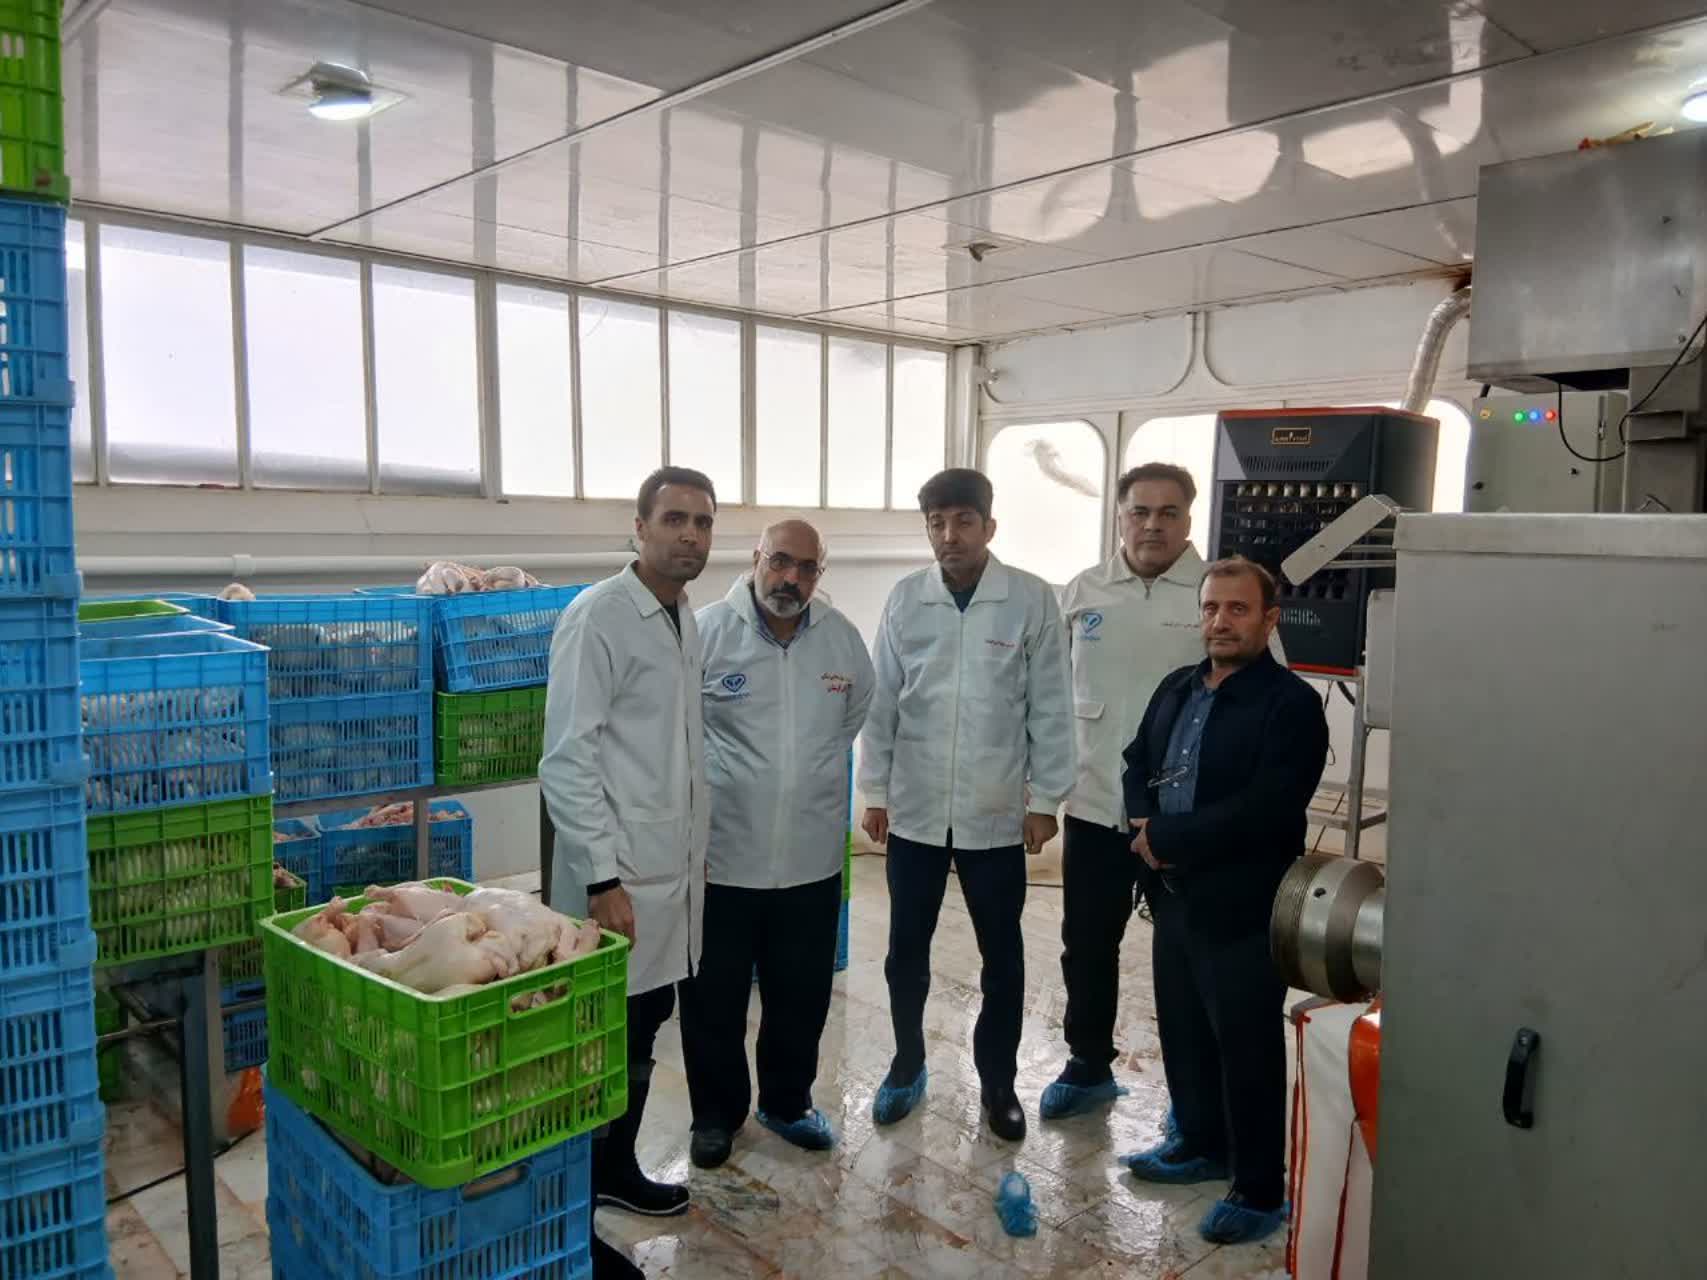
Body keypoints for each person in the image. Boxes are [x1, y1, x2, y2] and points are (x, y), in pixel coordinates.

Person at [1043, 462, 1283, 1119]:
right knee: (1086, 946)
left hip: (1186, 824)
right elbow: (1049, 695)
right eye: (1139, 511)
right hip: (1097, 805)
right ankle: (1088, 1064)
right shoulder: (1084, 591)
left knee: (1191, 960)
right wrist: (1041, 791)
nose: (1152, 525)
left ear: (1188, 519)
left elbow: (1265, 694)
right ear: (1119, 517)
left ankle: (1193, 1101)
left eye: (1168, 512)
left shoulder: (1217, 593)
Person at [858, 467, 1074, 1142]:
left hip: (995, 812)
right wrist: (874, 792)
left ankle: (998, 1082)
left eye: (962, 521)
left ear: (989, 526)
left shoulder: (1029, 599)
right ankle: (906, 1065)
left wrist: (1045, 799)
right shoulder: (906, 598)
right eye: (937, 523)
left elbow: (1051, 706)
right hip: (916, 810)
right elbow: (882, 703)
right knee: (905, 953)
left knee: (1002, 958)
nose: (949, 535)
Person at [1117, 556, 1329, 1246]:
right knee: (1183, 1031)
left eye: (1238, 609)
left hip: (1242, 906)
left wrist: (1168, 837)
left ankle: (1258, 1188)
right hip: (1173, 897)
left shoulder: (1290, 706)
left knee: (1245, 1047)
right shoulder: (1177, 687)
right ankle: (1200, 1144)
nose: (1220, 621)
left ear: (1269, 620)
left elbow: (1268, 808)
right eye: (1211, 608)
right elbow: (1135, 760)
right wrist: (1144, 822)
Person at [539, 466, 716, 1280]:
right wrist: (602, 879)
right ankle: (571, 1224)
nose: (690, 535)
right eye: (674, 519)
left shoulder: (684, 619)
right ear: (638, 528)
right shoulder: (599, 616)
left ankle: (616, 1170)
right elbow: (567, 760)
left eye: (702, 523)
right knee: (589, 1048)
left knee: (641, 1028)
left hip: (668, 876)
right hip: (617, 885)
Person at [679, 519, 874, 1169]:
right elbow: (678, 735)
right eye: (780, 562)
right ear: (755, 559)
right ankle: (716, 1114)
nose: (791, 579)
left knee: (801, 995)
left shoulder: (840, 639)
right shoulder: (706, 633)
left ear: (820, 574)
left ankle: (788, 1103)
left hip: (810, 863)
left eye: (807, 568)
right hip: (721, 859)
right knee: (713, 999)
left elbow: (852, 719)